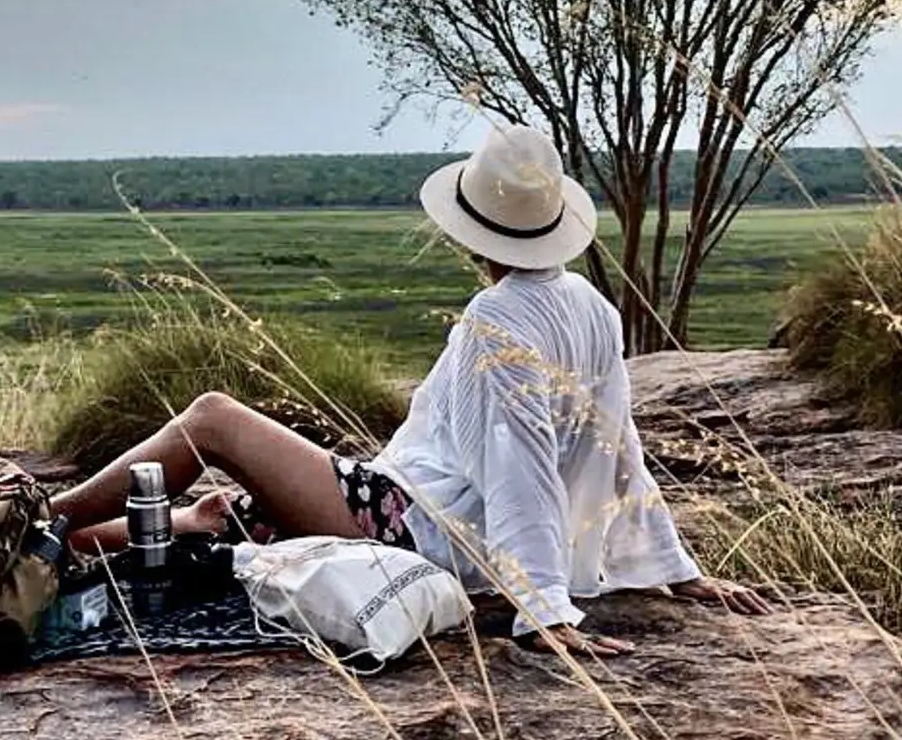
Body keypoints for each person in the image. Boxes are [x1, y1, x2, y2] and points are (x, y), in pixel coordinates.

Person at [49, 122, 769, 655]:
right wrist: (675, 568)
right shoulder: (591, 304)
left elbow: (518, 460)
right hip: (410, 508)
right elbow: (618, 445)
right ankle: (101, 534)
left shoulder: (497, 315)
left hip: (407, 523)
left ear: (471, 234)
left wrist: (544, 607)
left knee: (214, 420)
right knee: (215, 518)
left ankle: (42, 519)